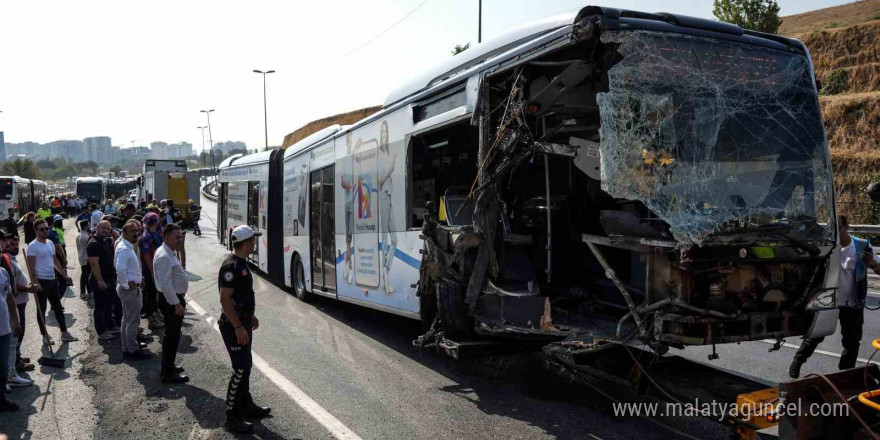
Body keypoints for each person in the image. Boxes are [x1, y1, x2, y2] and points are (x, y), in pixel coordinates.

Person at [789, 215, 880, 378]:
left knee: (852, 343)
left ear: (846, 227)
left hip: (853, 303)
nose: (834, 233)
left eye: (837, 228)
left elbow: (878, 267)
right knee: (815, 335)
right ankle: (798, 361)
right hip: (828, 301)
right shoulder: (827, 245)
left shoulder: (862, 245)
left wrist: (871, 263)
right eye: (831, 229)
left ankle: (844, 375)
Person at [219, 225, 271, 432]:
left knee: (246, 367)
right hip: (233, 326)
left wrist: (250, 316)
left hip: (243, 321)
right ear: (247, 243)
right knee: (240, 369)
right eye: (253, 240)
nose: (255, 243)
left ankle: (246, 405)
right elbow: (225, 300)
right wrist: (239, 326)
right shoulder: (231, 266)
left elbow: (241, 296)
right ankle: (231, 416)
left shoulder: (240, 263)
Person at [25, 219, 76, 345]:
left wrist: (64, 275)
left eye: (46, 228)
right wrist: (35, 281)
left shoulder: (50, 243)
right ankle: (45, 335)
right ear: (36, 231)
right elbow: (30, 266)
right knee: (41, 310)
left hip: (52, 279)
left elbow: (55, 261)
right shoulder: (32, 246)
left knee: (58, 307)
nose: (44, 231)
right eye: (41, 229)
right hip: (41, 281)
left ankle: (64, 333)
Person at [154, 223, 189, 383]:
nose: (180, 239)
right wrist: (176, 303)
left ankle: (170, 366)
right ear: (166, 237)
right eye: (177, 236)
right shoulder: (164, 256)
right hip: (171, 300)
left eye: (181, 236)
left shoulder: (169, 252)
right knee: (171, 336)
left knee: (174, 336)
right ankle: (167, 373)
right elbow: (166, 284)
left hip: (173, 298)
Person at [2, 231, 35, 388]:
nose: (12, 246)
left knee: (16, 337)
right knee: (13, 337)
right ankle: (11, 371)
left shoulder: (9, 259)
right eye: (9, 243)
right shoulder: (4, 261)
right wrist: (28, 289)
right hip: (12, 304)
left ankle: (15, 362)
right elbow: (10, 288)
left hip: (17, 302)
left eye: (16, 244)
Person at [115, 220, 149, 360]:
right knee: (132, 321)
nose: (136, 233)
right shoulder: (124, 248)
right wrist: (126, 284)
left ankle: (127, 348)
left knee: (126, 320)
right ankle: (132, 351)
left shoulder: (126, 246)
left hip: (129, 288)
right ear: (124, 233)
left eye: (137, 231)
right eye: (133, 231)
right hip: (129, 290)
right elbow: (119, 268)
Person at [88, 220, 122, 341]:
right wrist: (100, 280)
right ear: (97, 227)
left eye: (108, 229)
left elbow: (120, 238)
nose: (106, 231)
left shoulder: (106, 240)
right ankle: (101, 331)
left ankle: (110, 326)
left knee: (109, 304)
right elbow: (94, 264)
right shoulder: (93, 243)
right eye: (103, 228)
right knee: (100, 306)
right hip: (100, 280)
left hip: (110, 278)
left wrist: (111, 230)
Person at [377, 120, 398, 294]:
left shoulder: (388, 152)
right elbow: (377, 181)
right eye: (382, 132)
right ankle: (385, 278)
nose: (384, 135)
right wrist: (390, 169)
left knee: (395, 240)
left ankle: (386, 271)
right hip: (383, 198)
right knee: (384, 240)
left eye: (386, 132)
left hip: (390, 197)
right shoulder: (378, 154)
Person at [0, 254, 19, 411]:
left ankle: (1, 399)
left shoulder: (2, 272)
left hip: (4, 328)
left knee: (4, 366)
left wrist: (15, 321)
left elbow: (9, 297)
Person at [139, 213, 164, 330]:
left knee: (155, 294)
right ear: (155, 222)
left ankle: (155, 314)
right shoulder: (147, 236)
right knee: (152, 294)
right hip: (150, 271)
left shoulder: (154, 234)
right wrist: (153, 272)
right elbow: (147, 256)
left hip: (156, 269)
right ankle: (151, 319)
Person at [76, 220, 93, 300]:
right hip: (85, 258)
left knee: (84, 275)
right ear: (86, 226)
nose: (89, 226)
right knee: (86, 275)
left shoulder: (80, 235)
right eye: (88, 225)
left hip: (82, 257)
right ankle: (88, 292)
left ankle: (83, 291)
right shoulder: (85, 236)